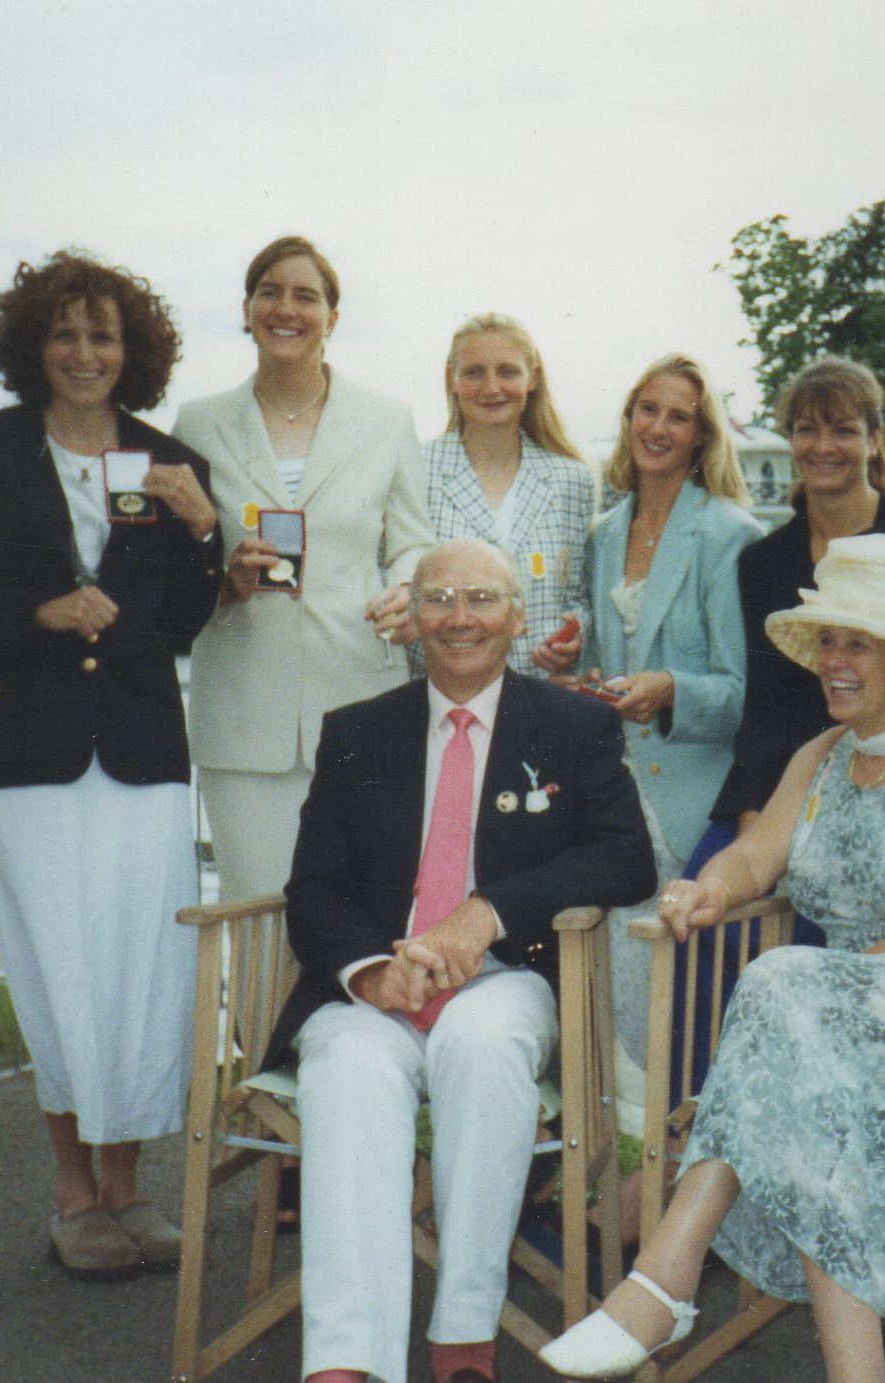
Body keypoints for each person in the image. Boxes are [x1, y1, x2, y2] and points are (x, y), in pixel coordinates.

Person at [541, 533, 885, 1382]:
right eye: (828, 641)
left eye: (857, 642)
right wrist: (709, 891)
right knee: (810, 1090)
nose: (833, 661)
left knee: (782, 989)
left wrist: (815, 1002)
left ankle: (660, 1279)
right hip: (839, 1024)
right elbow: (754, 856)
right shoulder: (823, 755)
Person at [0, 250, 223, 1279]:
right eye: (67, 334)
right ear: (36, 345)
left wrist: (205, 531)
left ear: (134, 351)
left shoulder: (169, 457)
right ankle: (76, 1200)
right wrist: (35, 615)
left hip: (142, 748)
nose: (85, 353)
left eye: (104, 335)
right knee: (58, 968)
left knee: (138, 968)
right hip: (22, 748)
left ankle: (129, 1191)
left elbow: (187, 620)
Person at [269, 538, 655, 1383]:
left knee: (483, 1048)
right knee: (344, 1070)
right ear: (414, 618)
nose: (459, 617)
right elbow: (313, 890)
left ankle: (463, 1337)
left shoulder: (573, 726)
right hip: (380, 983)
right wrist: (370, 972)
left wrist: (486, 913)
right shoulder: (356, 733)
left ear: (517, 617)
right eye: (438, 598)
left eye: (481, 598)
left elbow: (627, 858)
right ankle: (343, 1359)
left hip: (506, 976)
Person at [175, 235, 436, 908]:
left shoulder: (386, 420)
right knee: (256, 912)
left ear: (332, 317)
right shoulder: (197, 424)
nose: (285, 308)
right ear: (245, 309)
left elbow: (412, 541)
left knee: (358, 913)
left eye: (305, 295)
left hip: (359, 700)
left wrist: (407, 590)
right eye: (269, 292)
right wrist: (224, 578)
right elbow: (178, 564)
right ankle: (257, 1023)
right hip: (241, 718)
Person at [581, 353, 763, 1106]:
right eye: (646, 409)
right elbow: (602, 664)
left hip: (692, 807)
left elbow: (744, 691)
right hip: (610, 799)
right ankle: (623, 1157)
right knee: (599, 989)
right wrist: (579, 663)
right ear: (628, 420)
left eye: (677, 416)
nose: (658, 426)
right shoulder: (601, 532)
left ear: (700, 437)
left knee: (671, 1002)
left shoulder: (730, 536)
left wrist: (668, 692)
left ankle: (663, 1158)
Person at [709, 356, 885, 837]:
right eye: (807, 430)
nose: (823, 447)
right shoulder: (763, 562)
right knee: (705, 901)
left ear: (875, 440)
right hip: (786, 788)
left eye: (843, 430)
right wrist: (754, 822)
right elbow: (763, 708)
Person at [423, 312, 596, 675]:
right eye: (474, 372)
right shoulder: (414, 469)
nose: (491, 388)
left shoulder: (572, 481)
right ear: (450, 378)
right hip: (443, 693)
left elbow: (578, 597)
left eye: (507, 372)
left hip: (540, 699)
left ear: (532, 378)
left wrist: (576, 635)